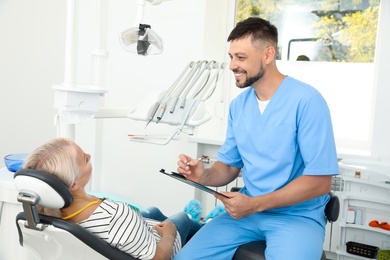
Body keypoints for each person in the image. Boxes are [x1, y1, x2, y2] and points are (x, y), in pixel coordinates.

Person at [175, 17, 339, 260]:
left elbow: (319, 182)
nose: (232, 65)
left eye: (240, 58)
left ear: (268, 54)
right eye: (231, 57)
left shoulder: (307, 101)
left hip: (296, 217)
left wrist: (255, 204)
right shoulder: (239, 106)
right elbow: (229, 167)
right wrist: (204, 175)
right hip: (247, 215)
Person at [23, 137, 224, 260]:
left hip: (134, 233)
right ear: (73, 184)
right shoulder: (116, 216)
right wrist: (170, 233)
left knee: (152, 212)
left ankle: (180, 222)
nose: (90, 156)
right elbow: (158, 257)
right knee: (180, 220)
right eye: (85, 158)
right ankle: (207, 225)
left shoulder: (44, 213)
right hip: (159, 249)